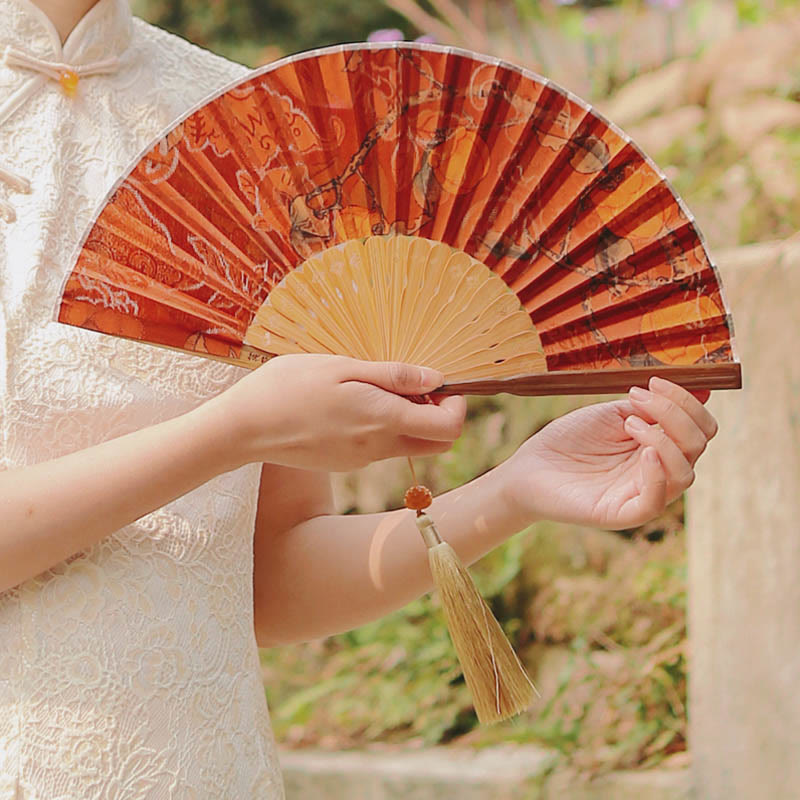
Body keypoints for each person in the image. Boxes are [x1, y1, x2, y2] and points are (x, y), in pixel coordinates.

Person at [0, 0, 719, 796]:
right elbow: (231, 439)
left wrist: (513, 490)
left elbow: (269, 582)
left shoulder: (255, 126)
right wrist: (231, 432)